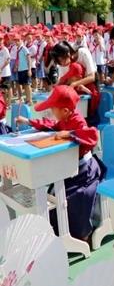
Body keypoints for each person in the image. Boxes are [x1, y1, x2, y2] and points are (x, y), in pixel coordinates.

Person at [16, 86, 102, 241]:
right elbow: (50, 125)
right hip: (69, 169)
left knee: (75, 199)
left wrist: (70, 134)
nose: (51, 112)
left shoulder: (77, 120)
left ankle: (83, 235)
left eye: (53, 109)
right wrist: (29, 121)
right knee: (56, 194)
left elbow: (92, 135)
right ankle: (60, 231)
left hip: (85, 171)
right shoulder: (63, 120)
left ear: (66, 110)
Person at [50, 41, 100, 125]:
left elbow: (92, 77)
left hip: (90, 85)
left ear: (68, 53)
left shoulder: (83, 53)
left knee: (89, 116)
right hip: (76, 90)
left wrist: (74, 84)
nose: (62, 64)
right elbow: (63, 80)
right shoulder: (63, 63)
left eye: (62, 60)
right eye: (59, 62)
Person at [14, 33, 32, 105]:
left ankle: (29, 100)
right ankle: (26, 99)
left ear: (21, 40)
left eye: (18, 40)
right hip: (20, 70)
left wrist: (29, 69)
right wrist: (16, 66)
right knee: (24, 85)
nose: (16, 42)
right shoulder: (17, 49)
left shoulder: (24, 48)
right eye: (15, 40)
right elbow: (18, 59)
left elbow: (29, 59)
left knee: (27, 85)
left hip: (25, 69)